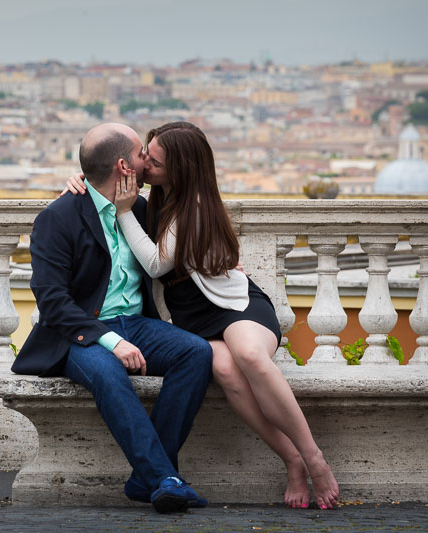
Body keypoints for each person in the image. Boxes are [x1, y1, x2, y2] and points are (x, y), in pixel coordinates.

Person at [65, 122, 340, 510]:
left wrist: (124, 211)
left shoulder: (190, 206)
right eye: (146, 153)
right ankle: (291, 460)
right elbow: (103, 182)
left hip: (234, 307)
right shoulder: (156, 195)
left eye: (154, 161)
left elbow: (156, 264)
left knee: (248, 356)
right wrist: (85, 179)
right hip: (195, 318)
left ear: (180, 169)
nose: (144, 165)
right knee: (224, 370)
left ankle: (313, 458)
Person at [11, 122, 214, 514]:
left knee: (196, 353)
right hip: (80, 334)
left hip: (137, 323)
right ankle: (164, 478)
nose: (147, 162)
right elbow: (53, 302)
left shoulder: (139, 207)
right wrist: (111, 341)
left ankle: (149, 478)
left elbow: (185, 228)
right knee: (107, 372)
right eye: (142, 155)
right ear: (125, 166)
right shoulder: (59, 217)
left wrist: (224, 261)